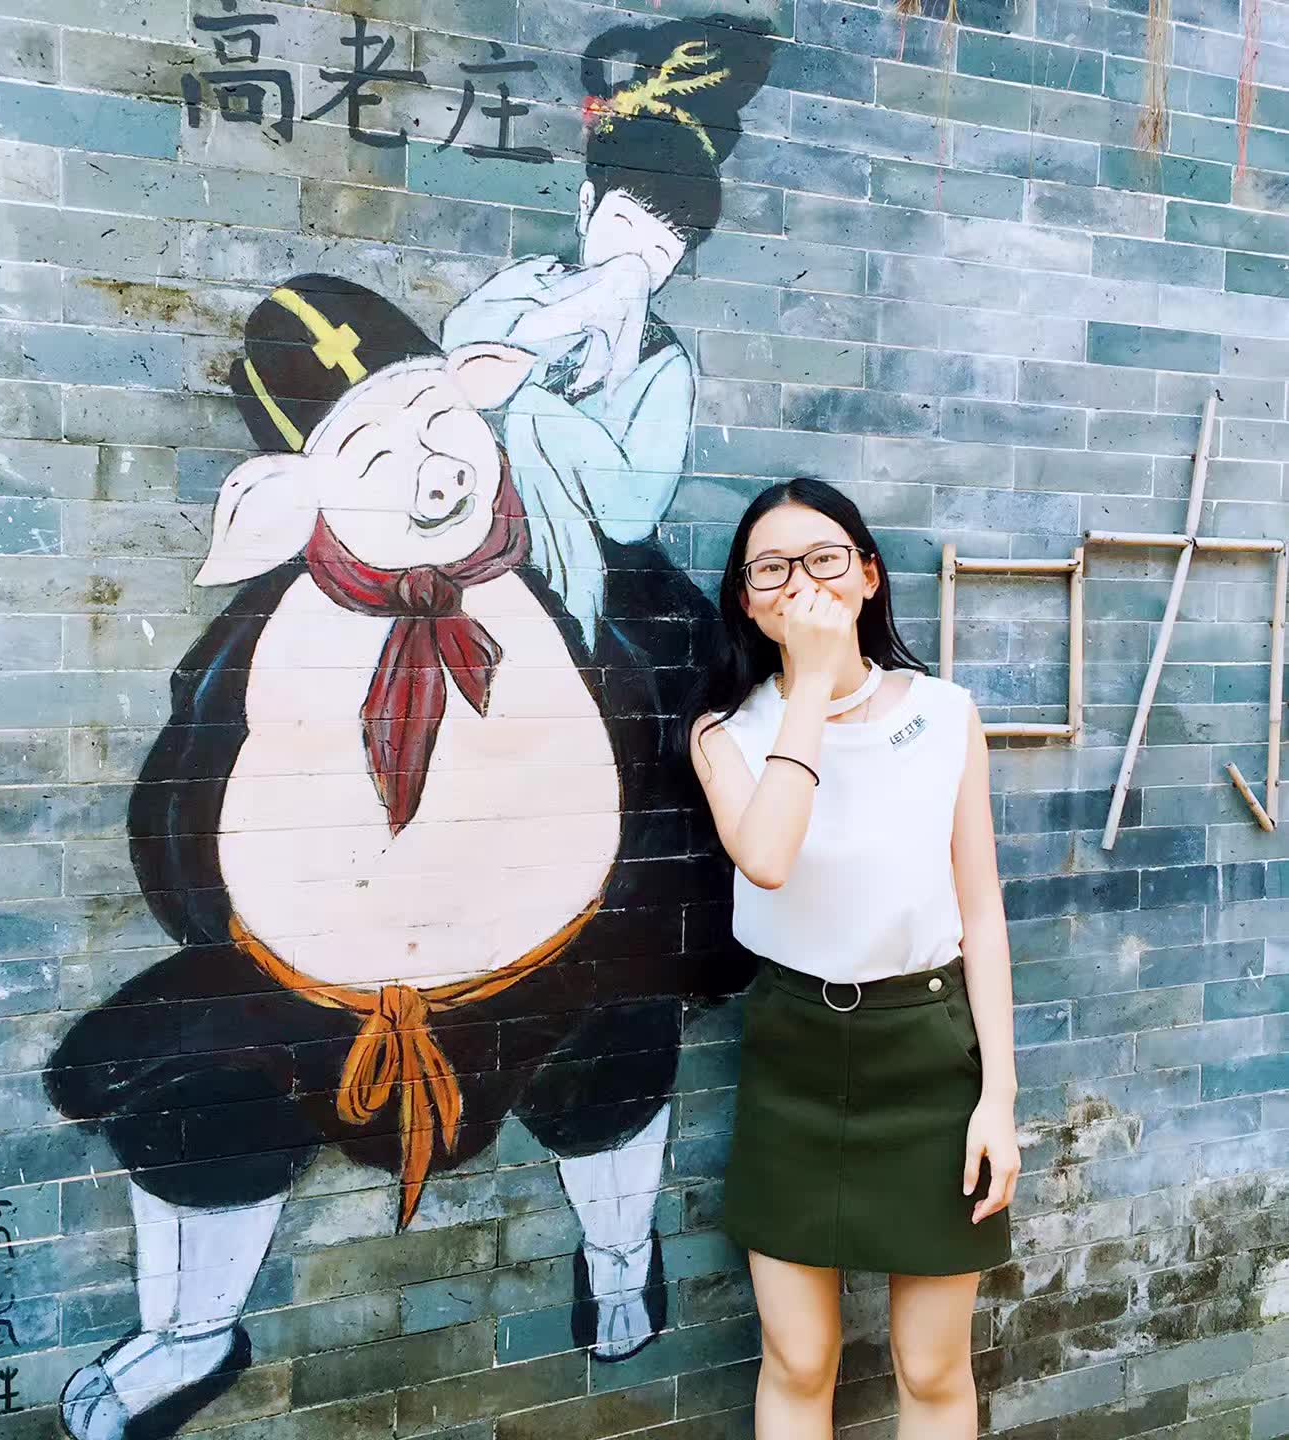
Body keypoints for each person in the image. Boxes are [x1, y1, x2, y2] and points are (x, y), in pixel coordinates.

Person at [677, 478, 1020, 1440]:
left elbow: (982, 912)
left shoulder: (946, 713)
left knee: (933, 1366)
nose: (802, 584)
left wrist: (998, 1099)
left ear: (868, 575)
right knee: (798, 1359)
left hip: (929, 1054)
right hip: (794, 1053)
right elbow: (768, 856)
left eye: (825, 558)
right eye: (772, 569)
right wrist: (813, 686)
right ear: (747, 601)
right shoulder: (724, 733)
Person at [440, 17, 775, 651]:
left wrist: (542, 413)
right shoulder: (537, 281)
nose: (636, 262)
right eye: (624, 227)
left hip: (597, 579)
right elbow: (456, 352)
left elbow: (633, 514)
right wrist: (572, 311)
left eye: (661, 251)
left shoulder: (662, 364)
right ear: (587, 206)